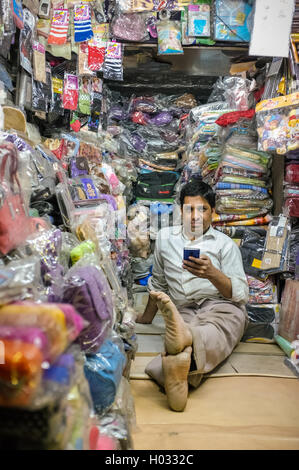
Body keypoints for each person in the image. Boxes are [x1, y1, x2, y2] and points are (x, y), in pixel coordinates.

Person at [136, 179, 249, 412]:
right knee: (182, 329)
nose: (195, 216)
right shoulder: (165, 239)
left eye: (203, 209)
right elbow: (158, 282)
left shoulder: (225, 245)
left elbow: (240, 294)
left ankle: (174, 363)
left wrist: (213, 274)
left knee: (217, 331)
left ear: (213, 212)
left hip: (222, 306)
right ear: (181, 211)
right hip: (184, 309)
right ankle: (183, 350)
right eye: (189, 209)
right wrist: (146, 318)